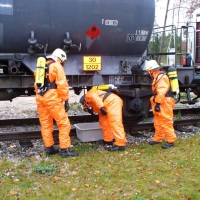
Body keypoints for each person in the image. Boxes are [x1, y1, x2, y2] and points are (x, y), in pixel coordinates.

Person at [34, 48, 79, 157]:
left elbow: (37, 86)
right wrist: (65, 99)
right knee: (64, 124)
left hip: (41, 99)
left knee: (46, 124)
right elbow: (62, 85)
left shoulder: (42, 67)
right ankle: (65, 150)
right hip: (53, 99)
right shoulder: (57, 66)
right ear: (60, 58)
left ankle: (49, 148)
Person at [144, 60, 177, 149]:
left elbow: (162, 91)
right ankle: (158, 138)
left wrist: (158, 103)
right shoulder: (158, 76)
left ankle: (170, 140)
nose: (148, 73)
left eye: (148, 71)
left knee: (166, 121)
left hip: (164, 101)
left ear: (152, 70)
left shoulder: (161, 77)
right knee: (158, 121)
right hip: (160, 100)